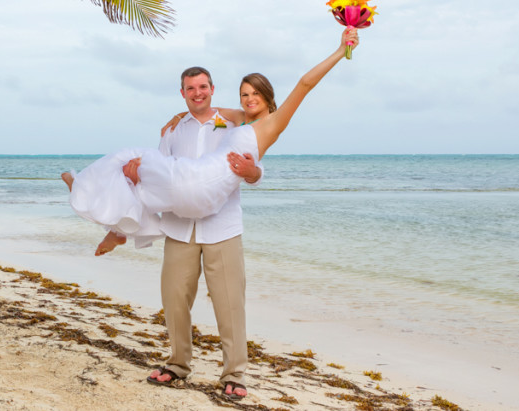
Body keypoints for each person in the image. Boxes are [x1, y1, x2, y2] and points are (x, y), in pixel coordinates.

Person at [62, 27, 360, 399]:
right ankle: (177, 363)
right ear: (184, 93)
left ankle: (234, 374)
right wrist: (170, 131)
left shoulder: (243, 123)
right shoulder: (179, 128)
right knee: (174, 299)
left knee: (229, 303)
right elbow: (162, 175)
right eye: (191, 89)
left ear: (213, 89)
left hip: (221, 225)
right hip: (180, 225)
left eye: (204, 88)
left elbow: (301, 88)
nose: (248, 100)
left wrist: (340, 49)